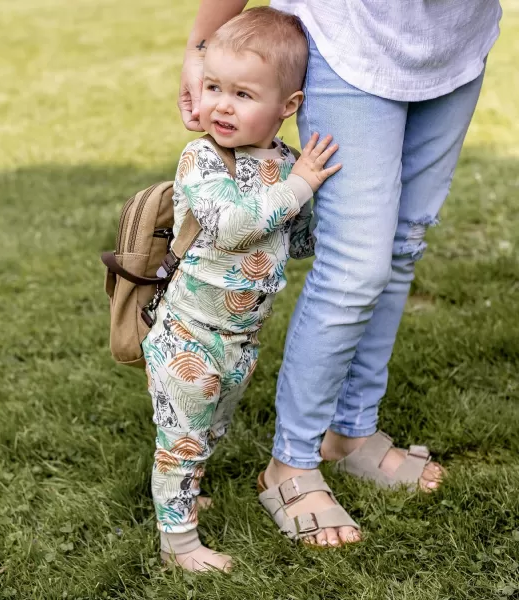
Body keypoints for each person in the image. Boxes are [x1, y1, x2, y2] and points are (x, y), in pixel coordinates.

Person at [179, 0, 502, 548]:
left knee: (403, 246)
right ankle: (292, 465)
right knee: (354, 265)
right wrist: (201, 44)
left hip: (454, 39)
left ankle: (351, 433)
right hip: (348, 34)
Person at [143, 7, 354, 572]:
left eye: (242, 93)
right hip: (187, 332)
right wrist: (301, 186)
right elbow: (235, 227)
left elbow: (299, 240)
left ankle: (184, 491)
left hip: (239, 334)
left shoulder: (285, 163)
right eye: (213, 87)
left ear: (289, 107)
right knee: (183, 435)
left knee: (211, 426)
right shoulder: (202, 158)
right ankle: (178, 543)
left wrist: (308, 189)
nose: (221, 105)